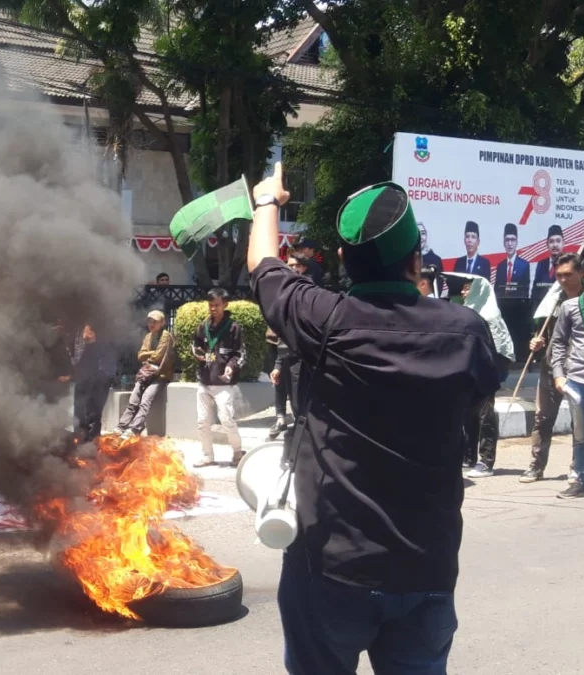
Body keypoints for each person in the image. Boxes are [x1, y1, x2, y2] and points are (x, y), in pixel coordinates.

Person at [247, 167, 501, 675]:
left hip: (330, 570)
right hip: (426, 567)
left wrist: (266, 201)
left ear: (343, 259)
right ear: (415, 259)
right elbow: (479, 398)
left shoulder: (323, 318)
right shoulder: (466, 333)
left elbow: (264, 265)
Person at [521, 253, 582, 483]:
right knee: (543, 418)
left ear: (580, 274)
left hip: (581, 370)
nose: (563, 280)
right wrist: (536, 342)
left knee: (581, 421)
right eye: (559, 275)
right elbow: (542, 334)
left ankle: (578, 468)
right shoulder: (553, 301)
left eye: (568, 274)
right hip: (551, 368)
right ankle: (536, 466)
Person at [547, 256, 584, 499]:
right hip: (579, 379)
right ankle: (580, 479)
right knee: (583, 434)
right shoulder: (570, 307)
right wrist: (558, 375)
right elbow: (559, 345)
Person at [192, 288, 246, 467]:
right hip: (204, 381)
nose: (213, 309)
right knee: (202, 422)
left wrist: (231, 367)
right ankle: (208, 455)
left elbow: (240, 354)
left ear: (225, 305)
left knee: (226, 419)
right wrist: (198, 354)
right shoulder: (203, 326)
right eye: (210, 305)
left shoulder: (233, 327)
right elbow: (195, 346)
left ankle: (237, 452)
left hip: (223, 383)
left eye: (216, 305)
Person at [459, 279, 503, 479]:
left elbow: (499, 347)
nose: (463, 291)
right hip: (469, 372)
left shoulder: (490, 316)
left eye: (468, 287)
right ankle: (469, 457)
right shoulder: (466, 313)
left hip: (485, 373)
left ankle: (486, 461)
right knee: (469, 417)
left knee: (486, 418)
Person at [268, 255, 312, 441]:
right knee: (280, 387)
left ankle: (302, 435)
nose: (292, 268)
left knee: (298, 398)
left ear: (303, 268)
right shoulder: (283, 290)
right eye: (289, 265)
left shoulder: (308, 290)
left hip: (301, 357)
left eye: (296, 265)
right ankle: (281, 420)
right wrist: (278, 364)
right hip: (283, 352)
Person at [114, 310, 174, 439]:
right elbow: (140, 355)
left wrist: (148, 354)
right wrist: (150, 353)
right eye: (150, 321)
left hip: (160, 375)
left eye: (155, 322)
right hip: (146, 374)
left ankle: (134, 429)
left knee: (145, 401)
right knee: (133, 401)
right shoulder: (148, 337)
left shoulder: (166, 336)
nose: (151, 324)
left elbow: (158, 357)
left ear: (162, 323)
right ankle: (121, 427)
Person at [72, 324, 117, 442]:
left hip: (99, 382)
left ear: (93, 333)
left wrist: (99, 380)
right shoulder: (81, 346)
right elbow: (76, 362)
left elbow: (107, 368)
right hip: (82, 381)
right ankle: (80, 440)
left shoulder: (103, 347)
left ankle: (92, 444)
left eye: (85, 332)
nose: (82, 335)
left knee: (93, 413)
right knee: (79, 412)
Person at [532, 225, 566, 306]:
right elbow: (535, 289)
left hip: (561, 305)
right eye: (551, 241)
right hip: (542, 305)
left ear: (563, 243)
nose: (555, 245)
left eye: (558, 241)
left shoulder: (567, 263)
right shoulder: (541, 264)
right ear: (547, 245)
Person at [495, 223, 531, 297]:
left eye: (513, 240)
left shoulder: (524, 266)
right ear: (503, 242)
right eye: (507, 240)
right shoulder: (500, 266)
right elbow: (497, 290)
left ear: (517, 242)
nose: (510, 244)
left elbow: (525, 292)